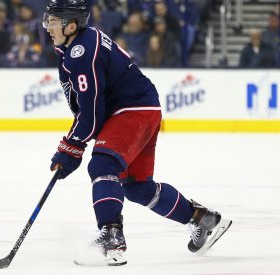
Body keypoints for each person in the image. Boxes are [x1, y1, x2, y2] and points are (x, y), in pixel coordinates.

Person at [43, 0, 232, 266]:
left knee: (103, 164)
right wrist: (74, 145)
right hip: (142, 108)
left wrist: (71, 146)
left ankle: (111, 235)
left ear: (70, 25)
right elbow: (88, 110)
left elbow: (92, 110)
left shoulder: (81, 51)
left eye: (52, 21)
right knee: (137, 187)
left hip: (132, 110)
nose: (47, 26)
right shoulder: (75, 46)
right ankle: (203, 219)